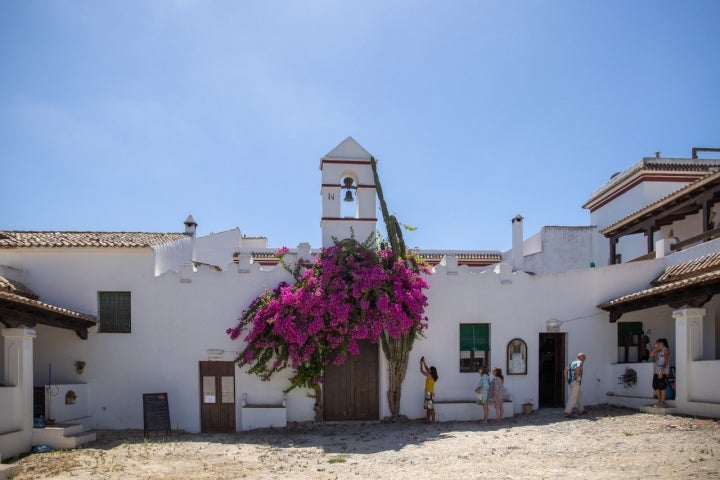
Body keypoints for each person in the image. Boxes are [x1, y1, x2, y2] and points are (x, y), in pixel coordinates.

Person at [564, 353, 586, 417]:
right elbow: (578, 368)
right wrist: (576, 377)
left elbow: (565, 370)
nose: (585, 359)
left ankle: (581, 410)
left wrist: (566, 379)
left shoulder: (572, 363)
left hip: (572, 382)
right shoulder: (579, 362)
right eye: (584, 357)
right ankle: (567, 412)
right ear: (580, 357)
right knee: (573, 397)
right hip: (575, 382)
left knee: (579, 396)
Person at [650, 338, 670, 407]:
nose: (656, 345)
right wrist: (656, 349)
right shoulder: (659, 351)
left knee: (661, 386)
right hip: (656, 371)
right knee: (655, 385)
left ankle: (662, 401)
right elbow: (651, 355)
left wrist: (662, 371)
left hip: (662, 371)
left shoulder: (666, 351)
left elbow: (666, 362)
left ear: (661, 344)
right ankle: (659, 400)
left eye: (657, 344)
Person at [420, 356, 438, 423]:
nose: (428, 369)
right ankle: (428, 420)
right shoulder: (430, 376)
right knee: (428, 408)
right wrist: (422, 363)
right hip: (428, 393)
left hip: (429, 393)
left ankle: (432, 420)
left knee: (431, 408)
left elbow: (424, 370)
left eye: (430, 369)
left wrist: (423, 362)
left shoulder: (430, 376)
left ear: (432, 371)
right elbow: (422, 371)